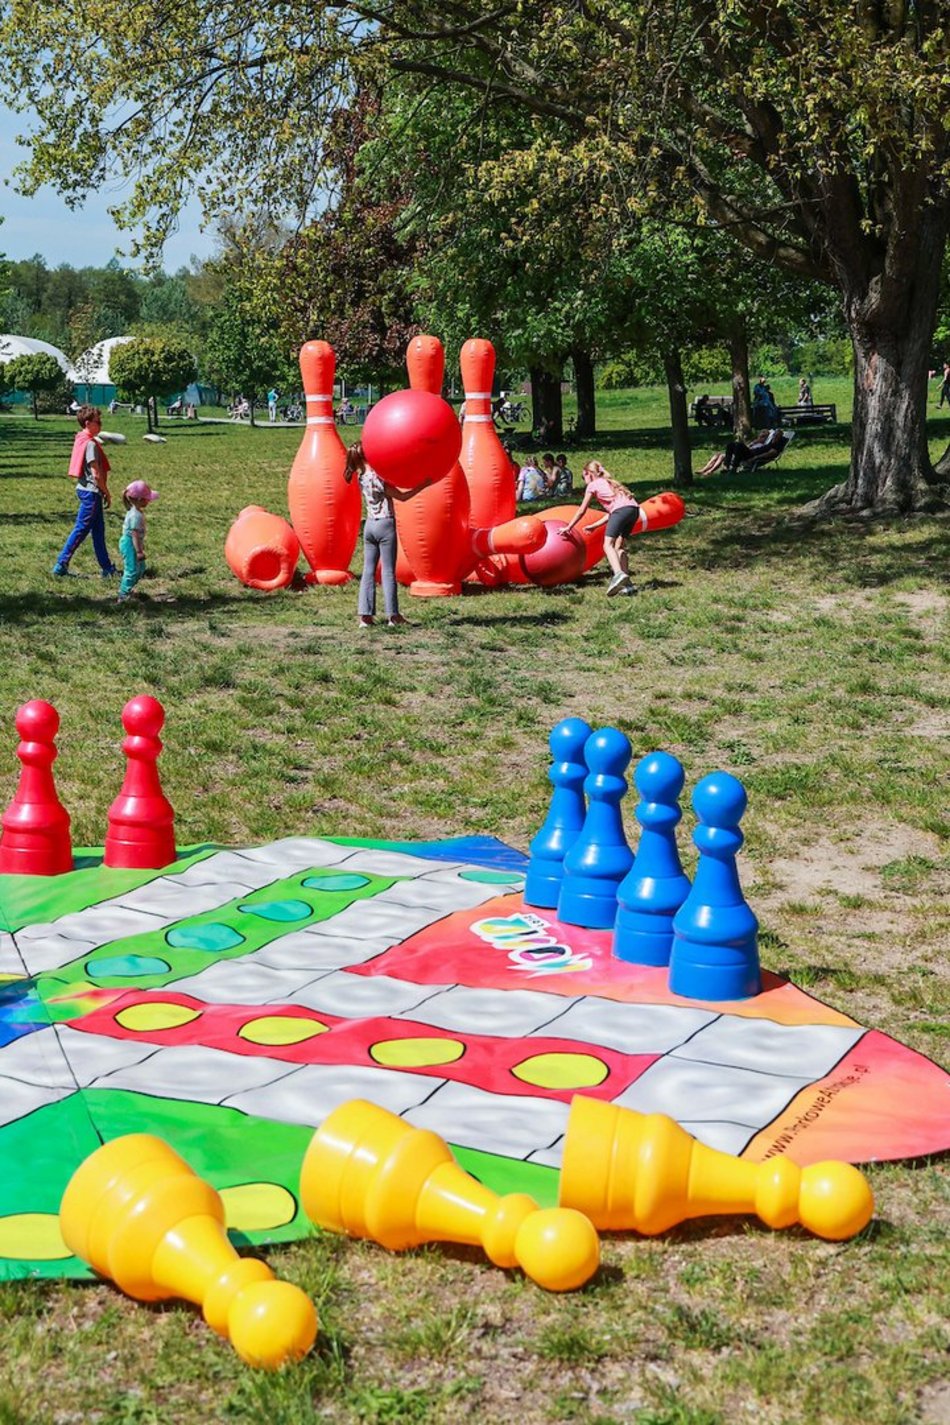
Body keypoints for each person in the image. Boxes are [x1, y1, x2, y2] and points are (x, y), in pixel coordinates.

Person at [343, 441, 431, 629]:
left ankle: (365, 617)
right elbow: (403, 497)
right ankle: (393, 615)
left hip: (369, 527)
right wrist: (423, 485)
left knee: (368, 571)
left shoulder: (361, 477)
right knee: (388, 571)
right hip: (385, 524)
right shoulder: (378, 477)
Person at [53, 404, 118, 578]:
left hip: (88, 491)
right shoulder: (90, 444)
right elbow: (96, 474)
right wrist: (107, 492)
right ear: (88, 423)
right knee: (81, 529)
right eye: (98, 421)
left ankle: (107, 569)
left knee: (98, 532)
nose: (101, 425)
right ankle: (61, 565)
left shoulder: (81, 438)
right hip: (91, 493)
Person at [559, 460, 641, 596]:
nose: (584, 480)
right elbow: (614, 512)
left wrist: (569, 526)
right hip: (634, 510)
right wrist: (594, 526)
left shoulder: (592, 485)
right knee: (619, 547)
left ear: (588, 473)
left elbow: (582, 510)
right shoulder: (609, 482)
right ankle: (628, 586)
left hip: (621, 512)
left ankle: (619, 575)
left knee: (607, 545)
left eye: (583, 476)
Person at [116, 479, 158, 603]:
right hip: (130, 544)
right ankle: (123, 595)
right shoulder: (135, 516)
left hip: (133, 543)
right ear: (140, 500)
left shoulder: (136, 512)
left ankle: (128, 589)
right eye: (147, 498)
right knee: (132, 569)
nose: (150, 500)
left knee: (140, 568)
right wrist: (139, 551)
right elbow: (134, 534)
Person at [698, 427, 791, 476]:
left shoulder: (776, 445)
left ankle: (734, 468)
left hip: (752, 455)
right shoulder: (768, 442)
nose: (775, 436)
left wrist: (756, 458)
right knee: (731, 444)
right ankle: (726, 467)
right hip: (750, 452)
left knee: (739, 445)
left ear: (779, 437)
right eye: (774, 434)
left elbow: (772, 453)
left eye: (777, 435)